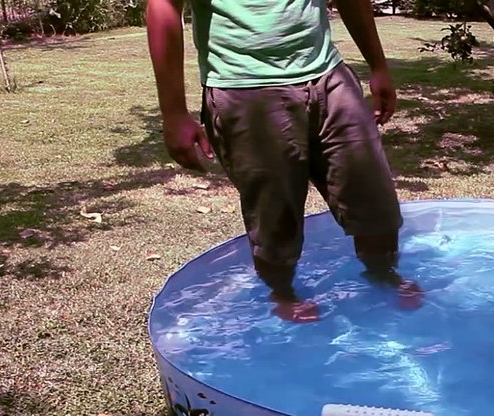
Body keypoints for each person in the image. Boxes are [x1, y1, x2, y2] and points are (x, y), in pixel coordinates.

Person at [146, 0, 421, 323]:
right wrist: (174, 112)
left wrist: (378, 65)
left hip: (329, 75)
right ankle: (282, 292)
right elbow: (163, 6)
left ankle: (382, 273)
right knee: (274, 213)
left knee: (374, 199)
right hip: (246, 86)